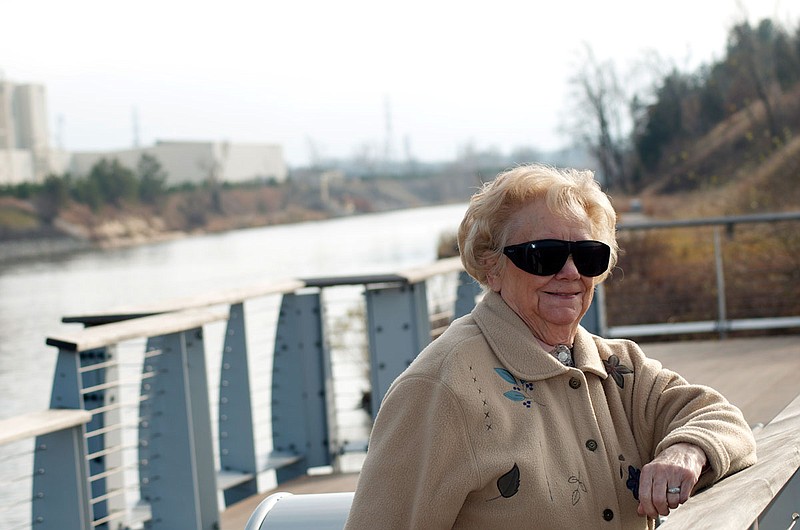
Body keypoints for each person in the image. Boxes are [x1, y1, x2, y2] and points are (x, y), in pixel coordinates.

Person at [344, 164, 757, 529]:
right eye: (545, 256)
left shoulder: (617, 367)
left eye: (589, 255)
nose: (571, 273)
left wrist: (687, 450)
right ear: (491, 267)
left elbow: (721, 418)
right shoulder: (439, 389)